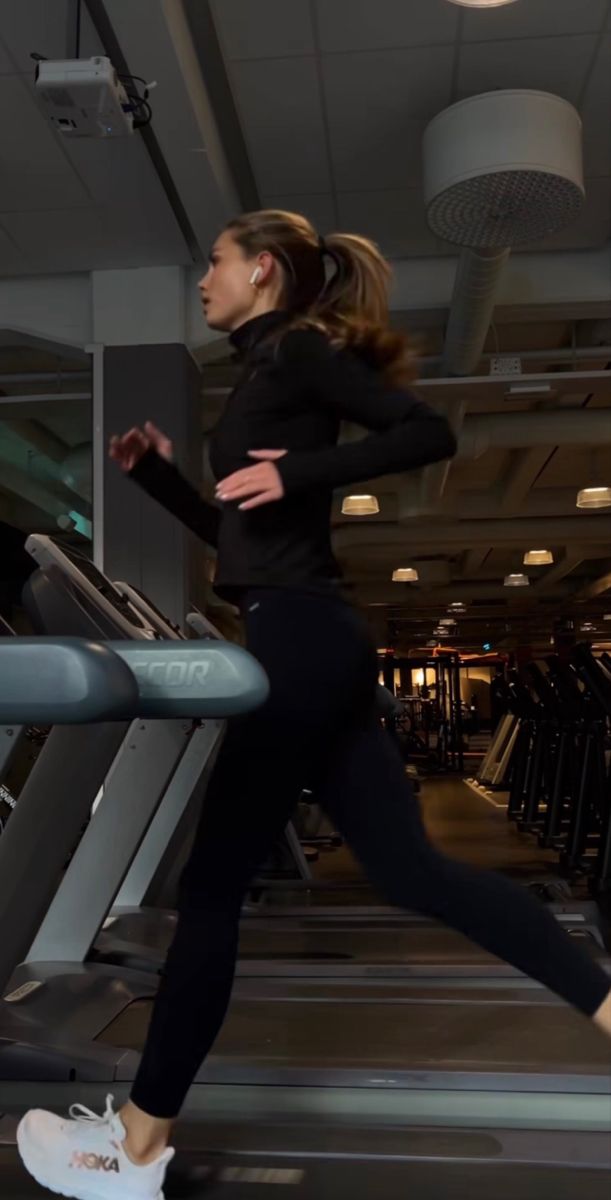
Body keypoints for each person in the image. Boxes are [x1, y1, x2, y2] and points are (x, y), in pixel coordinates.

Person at [18, 210, 611, 1200]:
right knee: (412, 870)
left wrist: (296, 468)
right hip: (306, 627)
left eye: (212, 263)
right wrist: (157, 477)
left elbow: (427, 430)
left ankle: (135, 1149)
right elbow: (245, 536)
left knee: (209, 893)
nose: (200, 280)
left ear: (262, 270)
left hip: (299, 638)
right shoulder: (261, 370)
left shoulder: (294, 350)